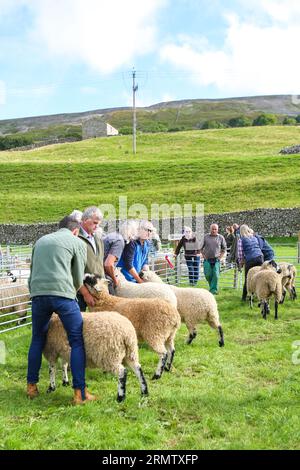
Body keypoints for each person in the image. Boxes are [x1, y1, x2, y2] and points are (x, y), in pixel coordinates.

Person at [26, 215, 97, 404]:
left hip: (38, 295)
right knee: (76, 340)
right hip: (63, 295)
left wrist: (36, 292)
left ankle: (31, 387)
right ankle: (79, 393)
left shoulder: (40, 241)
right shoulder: (76, 242)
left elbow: (31, 273)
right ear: (75, 230)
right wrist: (69, 294)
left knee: (37, 339)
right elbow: (77, 277)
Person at [77, 206, 105, 311]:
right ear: (85, 220)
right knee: (78, 323)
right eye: (94, 222)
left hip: (97, 289)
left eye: (98, 223)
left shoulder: (98, 239)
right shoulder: (76, 238)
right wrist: (85, 293)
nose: (97, 226)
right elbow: (72, 269)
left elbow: (100, 264)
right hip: (80, 292)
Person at [103, 220, 139, 292]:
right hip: (103, 275)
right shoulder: (119, 241)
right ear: (130, 232)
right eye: (135, 231)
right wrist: (115, 279)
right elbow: (108, 264)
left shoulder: (113, 235)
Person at [238, 224, 264, 301]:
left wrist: (241, 263)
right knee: (260, 277)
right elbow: (258, 247)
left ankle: (244, 297)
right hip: (260, 257)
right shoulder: (254, 237)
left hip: (250, 259)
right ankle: (261, 296)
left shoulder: (241, 239)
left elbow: (240, 253)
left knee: (248, 278)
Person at [200, 224, 227, 294]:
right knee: (208, 275)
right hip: (207, 259)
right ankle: (212, 287)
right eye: (213, 229)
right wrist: (203, 255)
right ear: (210, 229)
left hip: (216, 260)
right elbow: (200, 247)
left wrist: (220, 257)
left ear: (217, 230)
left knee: (216, 275)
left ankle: (213, 290)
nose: (214, 230)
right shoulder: (206, 237)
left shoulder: (221, 237)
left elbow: (224, 248)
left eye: (215, 229)